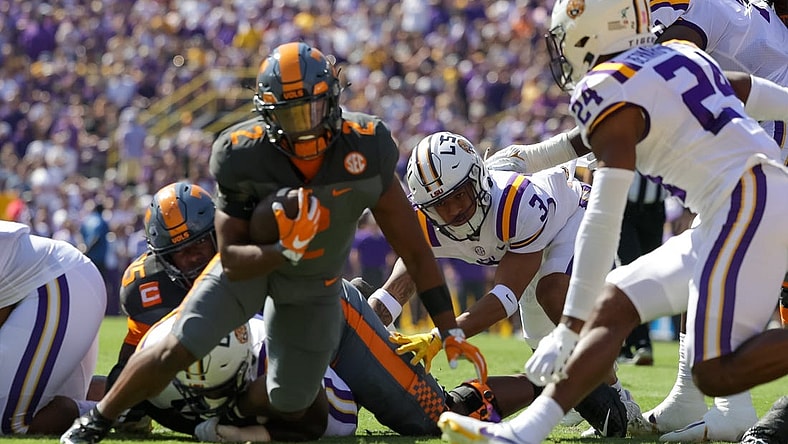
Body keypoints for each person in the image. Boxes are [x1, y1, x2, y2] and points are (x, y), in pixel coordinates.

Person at [61, 41, 485, 444]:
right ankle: (96, 421)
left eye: (312, 110)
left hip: (316, 288)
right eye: (290, 115)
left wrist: (448, 328)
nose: (303, 127)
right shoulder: (239, 153)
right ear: (267, 114)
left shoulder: (366, 146)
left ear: (333, 101)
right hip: (251, 269)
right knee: (179, 342)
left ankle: (235, 417)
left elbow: (413, 249)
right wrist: (285, 249)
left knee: (405, 417)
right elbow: (229, 257)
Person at [437, 0, 788, 442]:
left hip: (746, 206)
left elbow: (603, 218)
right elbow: (744, 88)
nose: (562, 51)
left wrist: (568, 328)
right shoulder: (675, 55)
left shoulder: (603, 88)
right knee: (615, 303)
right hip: (747, 201)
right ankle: (522, 432)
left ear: (590, 36)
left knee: (715, 372)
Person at [370, 131, 644, 437]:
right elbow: (400, 284)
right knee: (544, 350)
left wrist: (439, 336)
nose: (453, 211)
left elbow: (504, 297)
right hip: (523, 245)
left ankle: (621, 400)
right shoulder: (424, 221)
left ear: (477, 179)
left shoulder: (515, 202)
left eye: (459, 195)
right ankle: (570, 398)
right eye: (440, 204)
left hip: (572, 218)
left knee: (552, 295)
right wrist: (364, 321)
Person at [106, 181, 218, 432]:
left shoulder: (245, 257)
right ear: (163, 257)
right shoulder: (145, 284)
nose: (193, 257)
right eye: (180, 251)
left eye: (200, 244)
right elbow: (134, 353)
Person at [0, 220, 107, 435]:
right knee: (62, 399)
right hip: (52, 285)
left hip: (56, 281)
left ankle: (124, 408)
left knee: (10, 420)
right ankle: (135, 400)